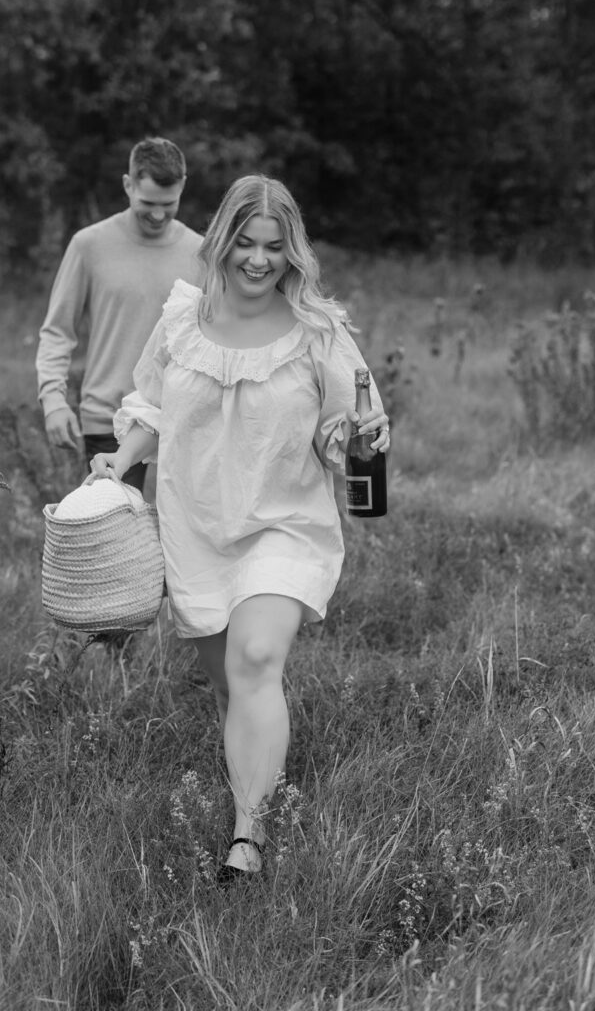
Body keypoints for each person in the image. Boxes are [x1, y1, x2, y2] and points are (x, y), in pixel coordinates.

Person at [88, 175, 390, 878]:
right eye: (246, 244)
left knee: (256, 658)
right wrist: (119, 463)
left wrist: (364, 439)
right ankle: (252, 776)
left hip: (282, 523)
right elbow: (149, 405)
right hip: (195, 526)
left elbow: (351, 433)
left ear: (293, 253)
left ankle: (247, 838)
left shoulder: (319, 333)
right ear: (222, 240)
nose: (259, 261)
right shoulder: (181, 322)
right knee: (231, 685)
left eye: (274, 248)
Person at [36, 136, 203, 491]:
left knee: (179, 540)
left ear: (183, 187)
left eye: (168, 204)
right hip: (109, 420)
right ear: (128, 185)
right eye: (147, 203)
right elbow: (58, 330)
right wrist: (53, 399)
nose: (158, 214)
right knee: (117, 538)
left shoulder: (201, 253)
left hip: (185, 421)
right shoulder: (89, 245)